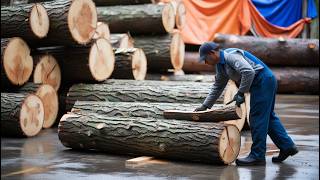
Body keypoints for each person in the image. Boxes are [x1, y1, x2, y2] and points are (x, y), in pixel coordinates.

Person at [195, 42, 298, 166]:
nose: (205, 62)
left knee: (257, 118)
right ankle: (287, 146)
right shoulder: (220, 66)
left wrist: (240, 93)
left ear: (212, 53)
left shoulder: (230, 56)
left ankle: (257, 156)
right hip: (264, 82)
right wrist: (205, 106)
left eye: (205, 59)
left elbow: (248, 72)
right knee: (268, 117)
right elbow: (218, 86)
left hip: (263, 81)